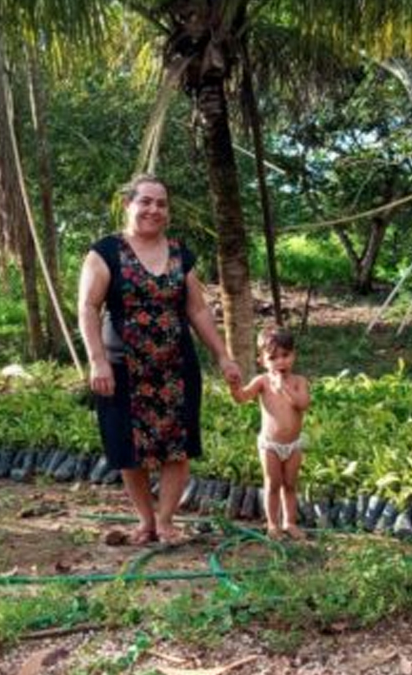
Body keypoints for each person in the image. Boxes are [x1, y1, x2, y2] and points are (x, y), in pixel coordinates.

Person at [78, 174, 241, 546]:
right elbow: (88, 307)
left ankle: (166, 521)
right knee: (126, 448)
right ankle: (145, 521)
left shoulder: (181, 254)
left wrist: (223, 355)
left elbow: (198, 310)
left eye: (161, 204)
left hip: (175, 368)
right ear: (128, 205)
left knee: (177, 444)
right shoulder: (104, 252)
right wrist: (97, 361)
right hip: (121, 369)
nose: (154, 209)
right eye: (146, 201)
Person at [229, 326, 311, 540]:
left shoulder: (299, 382)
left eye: (285, 355)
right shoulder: (262, 382)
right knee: (273, 483)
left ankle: (290, 522)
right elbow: (242, 398)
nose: (280, 362)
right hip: (270, 445)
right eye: (273, 358)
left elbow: (302, 404)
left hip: (293, 445)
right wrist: (234, 386)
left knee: (291, 484)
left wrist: (284, 387)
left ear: (294, 355)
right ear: (262, 361)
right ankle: (272, 524)